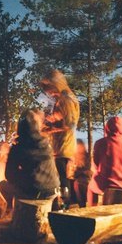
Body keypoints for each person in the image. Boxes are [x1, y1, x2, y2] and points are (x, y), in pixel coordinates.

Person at [39, 69, 80, 201]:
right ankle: (66, 207)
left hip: (63, 147)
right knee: (62, 179)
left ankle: (67, 210)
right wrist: (51, 120)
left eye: (49, 89)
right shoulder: (63, 99)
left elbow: (70, 124)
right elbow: (62, 118)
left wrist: (48, 130)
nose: (49, 93)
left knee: (63, 180)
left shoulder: (66, 99)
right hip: (60, 147)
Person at [4, 109, 60, 201]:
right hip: (53, 190)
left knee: (3, 185)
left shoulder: (18, 147)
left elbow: (9, 175)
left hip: (35, 192)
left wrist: (25, 177)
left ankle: (14, 210)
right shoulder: (46, 143)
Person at [87, 116, 122, 206]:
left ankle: (91, 209)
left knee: (90, 187)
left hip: (106, 183)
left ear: (107, 128)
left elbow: (95, 164)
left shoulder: (100, 143)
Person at [71, 139, 93, 207]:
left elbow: (90, 171)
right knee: (77, 184)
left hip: (86, 179)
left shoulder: (87, 156)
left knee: (82, 184)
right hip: (76, 179)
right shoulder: (73, 156)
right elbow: (72, 172)